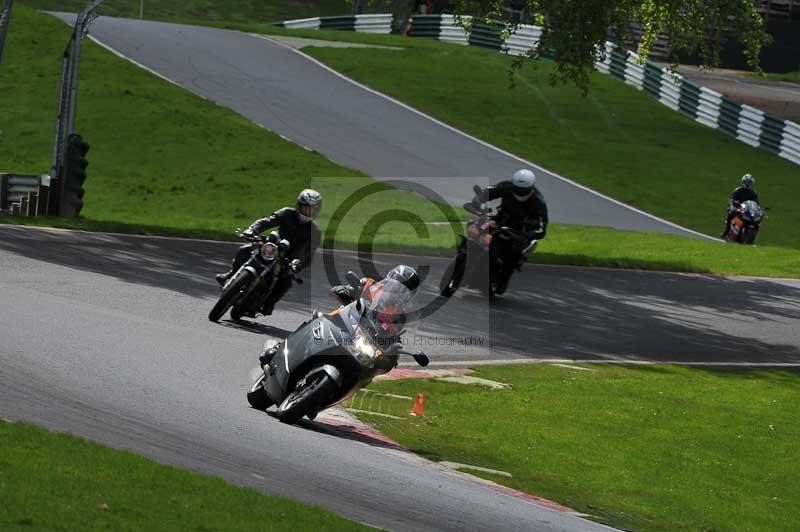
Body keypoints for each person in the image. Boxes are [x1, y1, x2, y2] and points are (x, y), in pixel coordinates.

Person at [216, 189, 322, 315]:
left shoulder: (315, 231)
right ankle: (231, 275)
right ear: (299, 205)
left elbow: (309, 253)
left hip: (288, 259)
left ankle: (269, 302)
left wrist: (298, 263)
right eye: (306, 208)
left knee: (286, 281)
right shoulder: (287, 213)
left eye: (312, 210)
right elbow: (266, 221)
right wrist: (252, 230)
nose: (308, 212)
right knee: (244, 250)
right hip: (272, 246)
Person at [471, 169, 548, 294]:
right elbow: (489, 191)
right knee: (478, 226)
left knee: (513, 253)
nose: (519, 191)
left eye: (523, 190)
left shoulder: (538, 201)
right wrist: (477, 201)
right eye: (517, 188)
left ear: (531, 187)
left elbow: (542, 227)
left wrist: (528, 234)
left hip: (520, 231)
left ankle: (503, 278)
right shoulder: (506, 186)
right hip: (501, 220)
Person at [330, 265, 420, 337]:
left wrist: (393, 347)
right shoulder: (369, 284)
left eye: (405, 293)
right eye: (398, 288)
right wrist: (343, 290)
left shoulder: (400, 315)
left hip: (363, 340)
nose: (400, 294)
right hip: (342, 321)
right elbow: (353, 288)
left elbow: (393, 337)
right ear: (389, 280)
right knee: (317, 315)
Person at [721, 174, 760, 238]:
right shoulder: (738, 190)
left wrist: (759, 210)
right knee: (731, 214)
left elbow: (756, 204)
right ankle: (727, 231)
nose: (748, 184)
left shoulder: (754, 193)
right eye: (747, 182)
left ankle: (752, 235)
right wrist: (735, 205)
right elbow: (733, 200)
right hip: (738, 207)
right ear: (743, 182)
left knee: (757, 219)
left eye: (750, 182)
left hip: (747, 210)